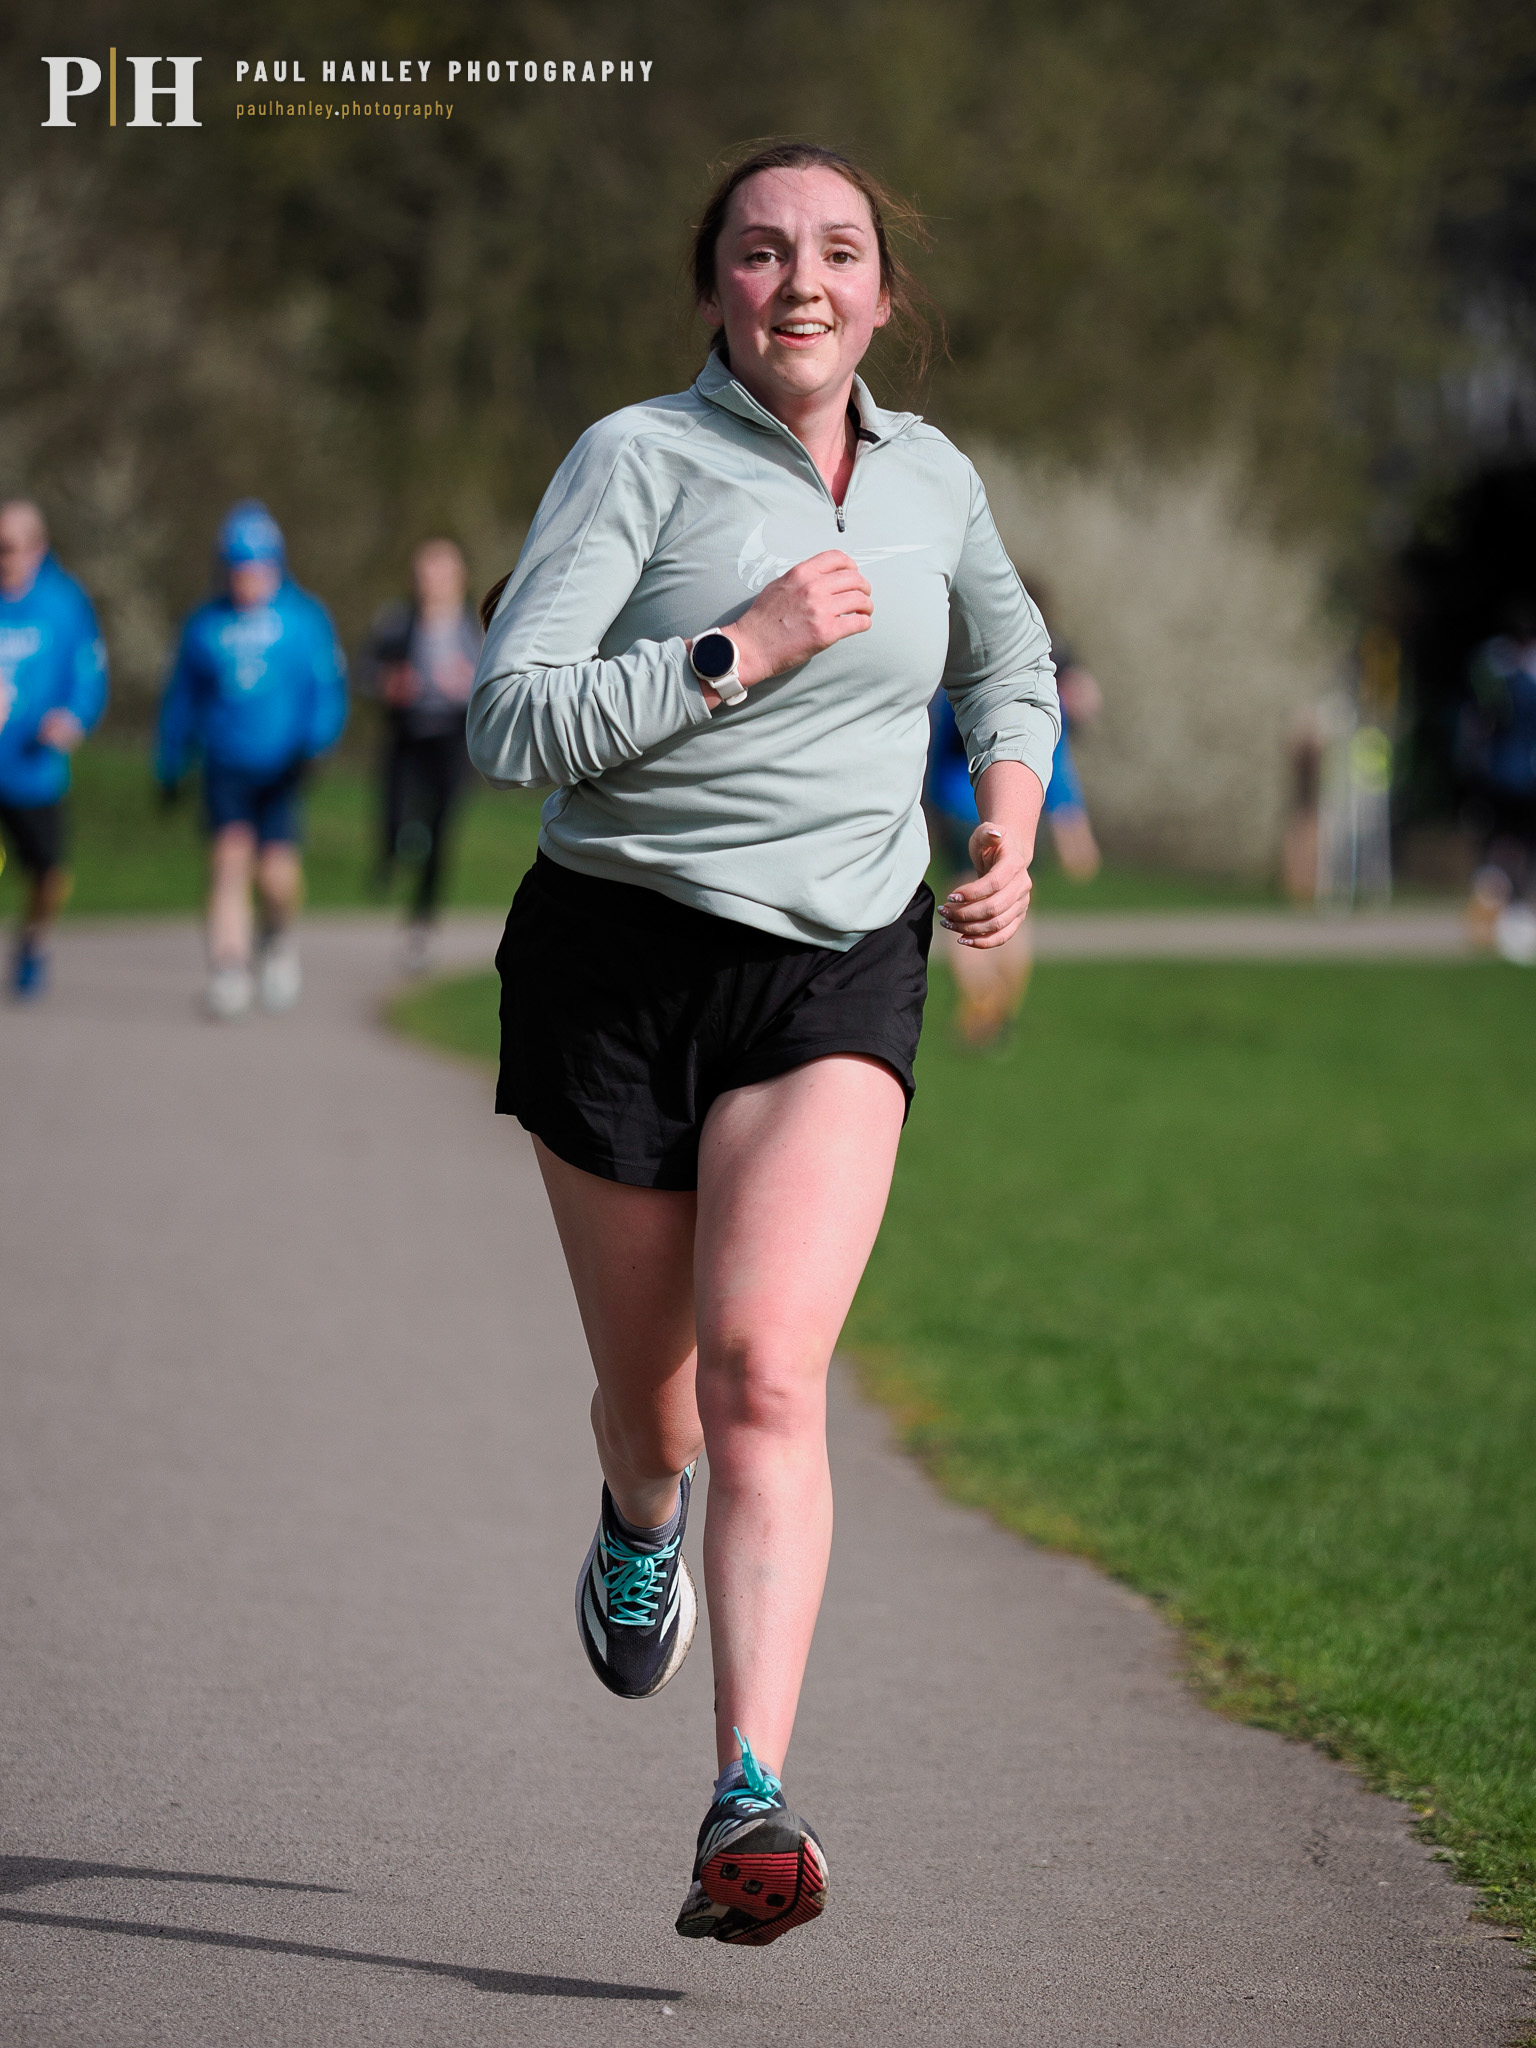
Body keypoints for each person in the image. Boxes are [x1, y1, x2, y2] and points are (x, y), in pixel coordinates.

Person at [467, 143, 1059, 1947]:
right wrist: (743, 647)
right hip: (617, 970)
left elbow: (1011, 654)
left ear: (883, 293)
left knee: (764, 1371)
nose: (799, 279)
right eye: (759, 250)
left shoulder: (935, 480)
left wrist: (1009, 820)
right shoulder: (633, 458)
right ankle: (636, 1510)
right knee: (659, 1409)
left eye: (837, 252)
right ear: (715, 284)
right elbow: (512, 717)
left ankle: (749, 1792)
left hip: (833, 971)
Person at [156, 502, 348, 1019]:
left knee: (276, 876)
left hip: (283, 766)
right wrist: (169, 764)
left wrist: (316, 742)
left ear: (276, 564)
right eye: (238, 570)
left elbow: (327, 690)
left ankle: (278, 941)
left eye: (257, 569)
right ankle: (228, 968)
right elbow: (181, 701)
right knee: (228, 861)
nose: (247, 581)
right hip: (225, 765)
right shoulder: (204, 625)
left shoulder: (304, 618)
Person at [926, 598, 1102, 1043]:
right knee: (1014, 909)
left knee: (962, 903)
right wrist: (1072, 828)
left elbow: (930, 748)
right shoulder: (1033, 683)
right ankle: (999, 1005)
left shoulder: (955, 672)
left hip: (957, 800)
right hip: (1019, 802)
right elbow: (1051, 760)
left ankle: (980, 1000)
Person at [0, 499, 109, 999]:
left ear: (37, 549)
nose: (4, 556)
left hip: (34, 768)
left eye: (10, 546)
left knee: (49, 876)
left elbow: (88, 672)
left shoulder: (64, 603)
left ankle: (33, 939)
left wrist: (72, 718)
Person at [363, 538, 482, 968]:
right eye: (424, 575)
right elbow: (367, 671)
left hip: (450, 738)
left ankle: (422, 923)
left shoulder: (477, 629)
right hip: (407, 734)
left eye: (440, 575)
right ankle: (394, 852)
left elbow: (499, 684)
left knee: (441, 829)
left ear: (458, 580)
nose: (430, 585)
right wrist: (389, 684)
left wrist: (467, 684)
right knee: (395, 817)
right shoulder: (396, 623)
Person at [1461, 603, 1536, 964]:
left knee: (1503, 842)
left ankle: (1496, 906)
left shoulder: (1494, 667)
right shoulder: (1509, 672)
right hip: (1516, 772)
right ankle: (1506, 909)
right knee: (1517, 843)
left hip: (1503, 771)